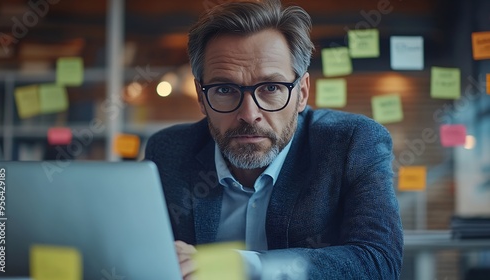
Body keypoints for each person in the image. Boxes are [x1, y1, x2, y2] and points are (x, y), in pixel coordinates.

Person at [145, 0, 403, 279]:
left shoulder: (352, 143)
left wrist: (239, 265)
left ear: (301, 93)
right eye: (224, 89)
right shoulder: (168, 151)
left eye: (271, 87)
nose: (249, 114)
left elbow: (378, 263)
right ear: (201, 97)